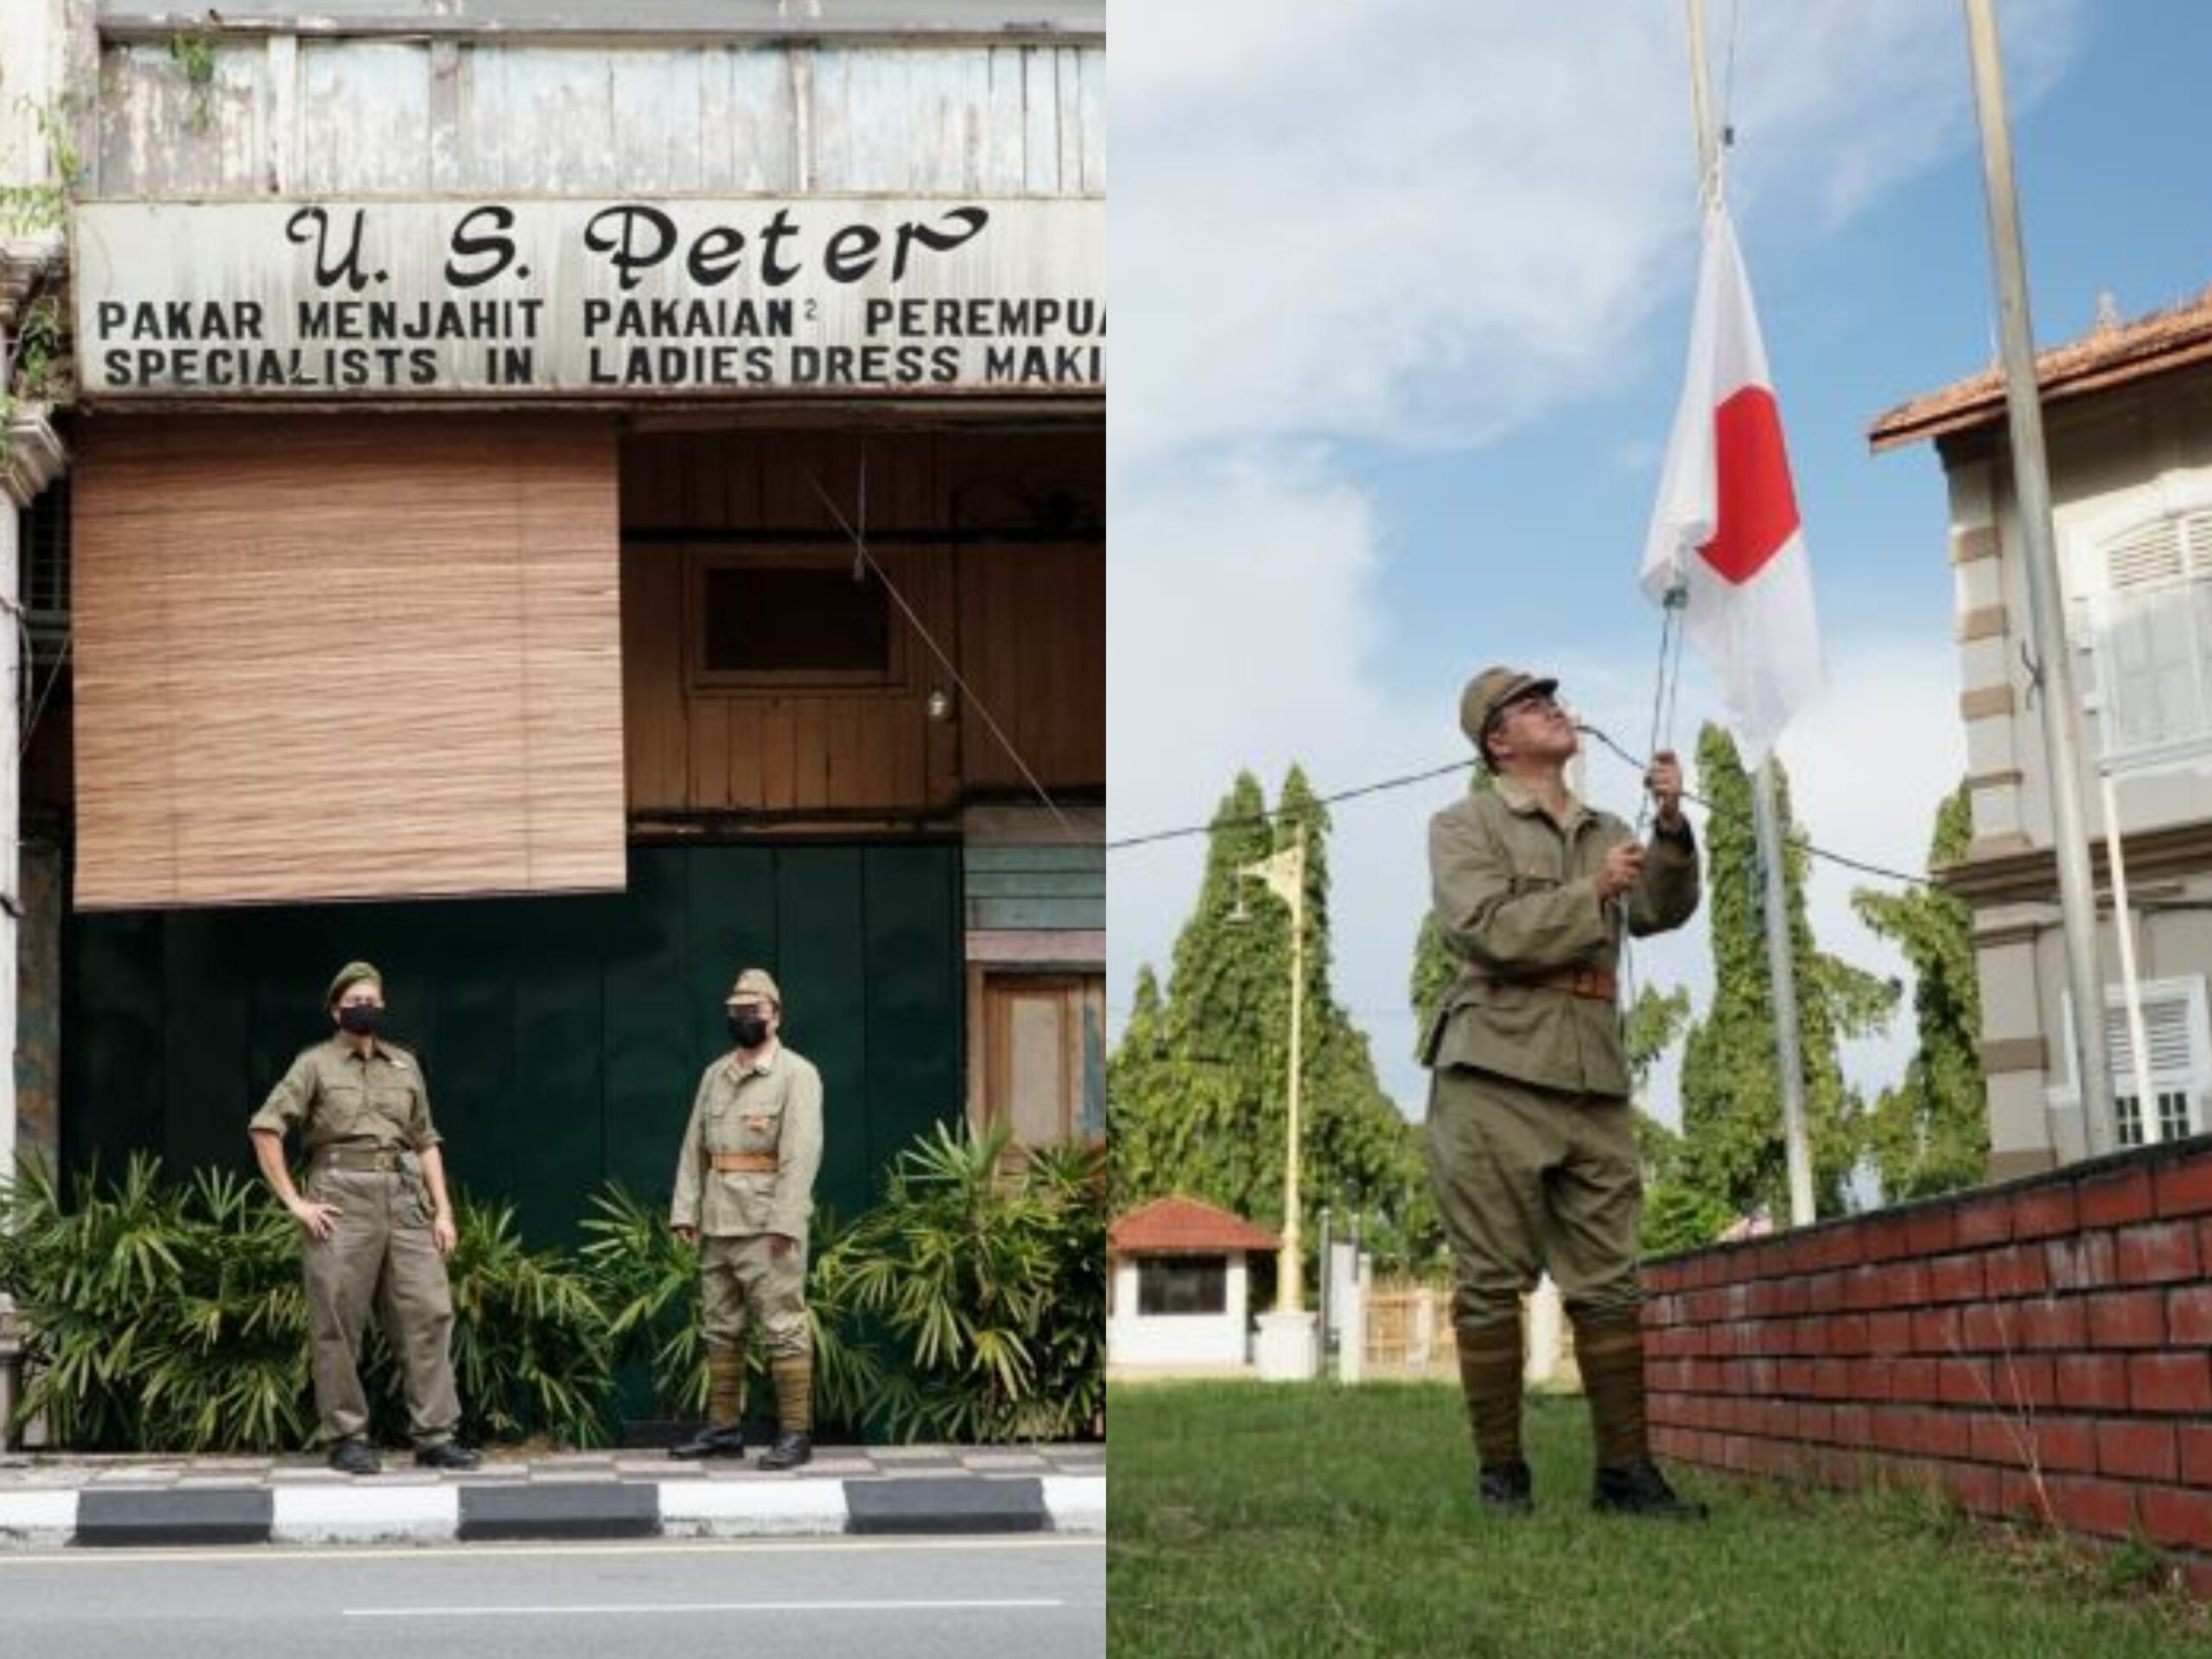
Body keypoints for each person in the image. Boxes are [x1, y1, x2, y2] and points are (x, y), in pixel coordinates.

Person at [1422, 666, 1706, 1519]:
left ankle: (1625, 1473)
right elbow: (1484, 930)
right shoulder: (1463, 825)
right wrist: (1591, 893)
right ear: (1496, 740)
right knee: (1487, 1279)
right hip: (1492, 1066)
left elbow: (1659, 908)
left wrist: (1667, 827)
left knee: (1611, 1282)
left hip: (1590, 1072)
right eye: (1529, 703)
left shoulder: (1607, 827)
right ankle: (1501, 1473)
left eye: (1552, 697)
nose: (1553, 706)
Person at [248, 961, 480, 1476]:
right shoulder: (314, 1065)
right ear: (336, 1010)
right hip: (340, 1197)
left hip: (405, 1198)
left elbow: (426, 1141)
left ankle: (435, 1436)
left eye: (372, 999)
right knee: (337, 1321)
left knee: (428, 1312)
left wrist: (443, 1212)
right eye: (354, 1001)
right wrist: (295, 1202)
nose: (364, 1007)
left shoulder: (405, 1065)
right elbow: (265, 1128)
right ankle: (348, 1436)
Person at [667, 968, 824, 1471]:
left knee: (783, 1326)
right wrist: (686, 1211)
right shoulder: (716, 1074)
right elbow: (695, 1146)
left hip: (766, 1225)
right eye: (736, 1011)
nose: (744, 1019)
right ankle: (723, 1429)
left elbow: (802, 1153)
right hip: (718, 1220)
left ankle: (796, 1434)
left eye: (753, 1011)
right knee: (720, 1327)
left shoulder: (796, 1074)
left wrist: (786, 1222)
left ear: (775, 1015)